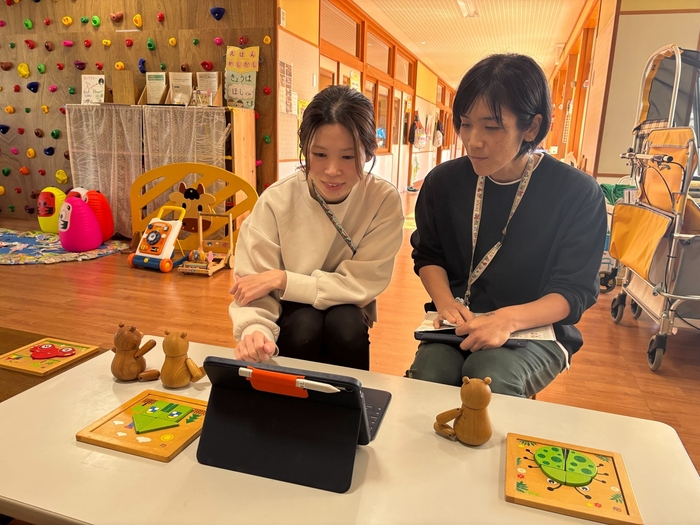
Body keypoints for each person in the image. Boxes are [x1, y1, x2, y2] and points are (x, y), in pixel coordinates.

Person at [407, 53, 607, 397]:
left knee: (489, 379)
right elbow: (428, 255)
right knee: (428, 377)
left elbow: (574, 291)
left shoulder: (576, 192)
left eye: (491, 126)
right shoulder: (443, 182)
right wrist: (446, 303)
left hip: (535, 328)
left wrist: (507, 320)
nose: (473, 140)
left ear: (531, 127)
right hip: (459, 320)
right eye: (465, 124)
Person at [229, 85, 404, 370]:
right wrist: (255, 331)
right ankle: (291, 396)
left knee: (346, 327)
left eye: (348, 156)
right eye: (320, 154)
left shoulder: (382, 200)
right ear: (305, 150)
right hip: (290, 307)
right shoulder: (276, 200)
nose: (332, 170)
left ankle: (351, 396)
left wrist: (283, 279)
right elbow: (253, 284)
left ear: (368, 153)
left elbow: (361, 283)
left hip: (348, 302)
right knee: (303, 327)